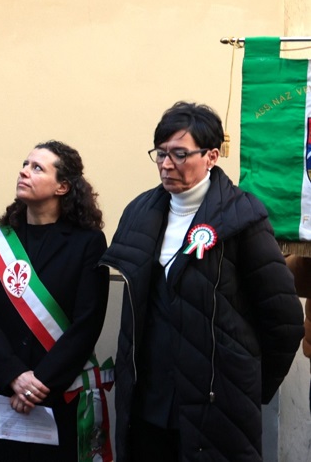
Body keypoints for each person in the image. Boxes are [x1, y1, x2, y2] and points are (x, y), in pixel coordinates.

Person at [102, 101, 303, 460]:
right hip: (148, 402)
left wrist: (246, 384)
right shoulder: (139, 213)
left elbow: (284, 320)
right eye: (160, 154)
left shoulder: (243, 218)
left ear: (211, 156)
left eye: (180, 154)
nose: (166, 165)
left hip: (217, 406)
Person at [0, 141, 110, 461]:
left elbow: (87, 322)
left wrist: (40, 382)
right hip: (3, 388)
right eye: (25, 164)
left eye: (37, 168)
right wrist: (14, 376)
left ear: (62, 186)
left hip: (58, 391)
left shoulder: (88, 243)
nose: (24, 171)